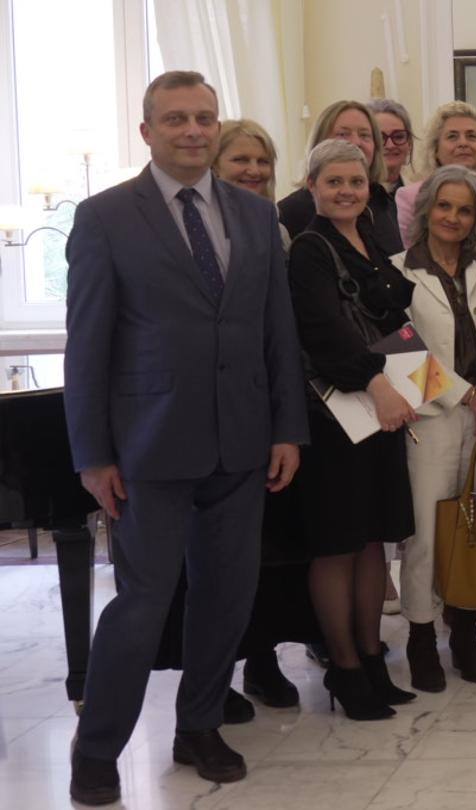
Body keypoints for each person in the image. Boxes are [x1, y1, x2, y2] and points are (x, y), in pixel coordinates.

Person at [62, 71, 306, 806]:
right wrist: (92, 455)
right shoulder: (105, 217)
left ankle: (199, 724)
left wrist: (288, 428)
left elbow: (276, 333)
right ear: (147, 131)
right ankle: (96, 748)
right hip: (149, 448)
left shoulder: (255, 217)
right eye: (175, 120)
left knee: (227, 596)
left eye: (204, 117)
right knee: (142, 604)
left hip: (244, 443)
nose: (193, 130)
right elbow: (88, 344)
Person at [283, 139, 421, 721]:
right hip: (338, 415)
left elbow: (396, 321)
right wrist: (383, 384)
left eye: (356, 182)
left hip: (380, 414)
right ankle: (342, 668)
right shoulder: (311, 248)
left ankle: (370, 659)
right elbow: (322, 330)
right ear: (312, 185)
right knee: (338, 546)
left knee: (373, 542)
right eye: (333, 181)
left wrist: (413, 385)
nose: (346, 190)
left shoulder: (372, 241)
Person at [211, 118, 317, 710]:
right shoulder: (195, 229)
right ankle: (213, 675)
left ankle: (262, 658)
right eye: (240, 161)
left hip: (272, 410)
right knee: (216, 560)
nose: (253, 172)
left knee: (271, 552)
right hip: (214, 417)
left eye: (262, 162)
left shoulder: (273, 229)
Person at [393, 165, 476, 692]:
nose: (453, 217)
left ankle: (465, 631)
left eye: (465, 209)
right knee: (427, 535)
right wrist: (467, 396)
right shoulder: (396, 272)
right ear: (425, 210)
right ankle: (419, 636)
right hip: (430, 421)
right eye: (444, 206)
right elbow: (402, 353)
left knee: (474, 528)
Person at [279, 100, 404, 254]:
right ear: (320, 143)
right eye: (343, 134)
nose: (356, 142)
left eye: (364, 135)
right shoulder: (292, 210)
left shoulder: (383, 201)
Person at [396, 102, 476, 252]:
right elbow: (410, 255)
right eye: (452, 136)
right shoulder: (410, 197)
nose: (463, 143)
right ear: (435, 149)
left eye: (471, 136)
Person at [369, 97, 416, 193]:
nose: (390, 145)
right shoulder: (353, 196)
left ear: (409, 143)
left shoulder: (419, 195)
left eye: (398, 137)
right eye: (381, 138)